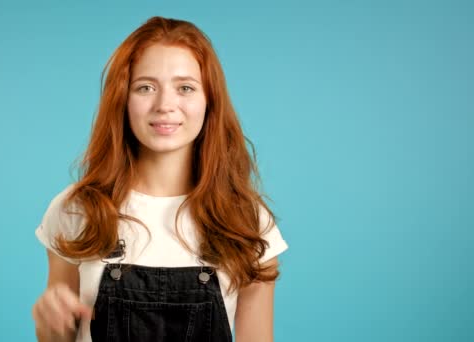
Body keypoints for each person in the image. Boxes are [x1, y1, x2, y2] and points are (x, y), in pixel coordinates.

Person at [31, 16, 289, 342]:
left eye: (185, 88)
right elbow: (57, 338)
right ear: (122, 100)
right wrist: (48, 326)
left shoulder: (247, 221)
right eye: (146, 87)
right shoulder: (76, 209)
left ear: (209, 101)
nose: (165, 105)